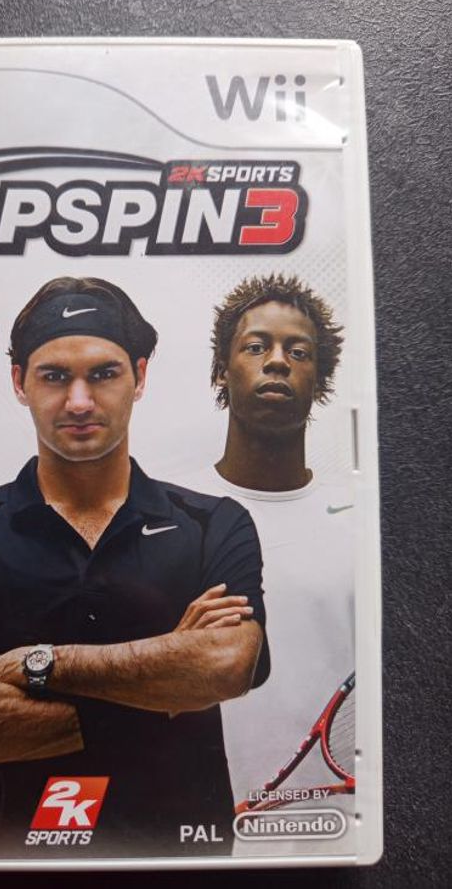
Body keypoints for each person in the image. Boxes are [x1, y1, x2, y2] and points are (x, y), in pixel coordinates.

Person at [0, 276, 270, 859]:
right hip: (11, 865)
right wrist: (165, 683)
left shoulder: (213, 524)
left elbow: (226, 663)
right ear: (18, 382)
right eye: (54, 376)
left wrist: (38, 664)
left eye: (103, 374)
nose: (78, 401)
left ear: (139, 377)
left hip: (179, 862)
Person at [185, 273, 354, 849]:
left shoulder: (359, 521)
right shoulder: (162, 511)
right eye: (256, 346)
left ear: (320, 380)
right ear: (221, 371)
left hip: (329, 830)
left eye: (298, 352)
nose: (277, 361)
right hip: (194, 829)